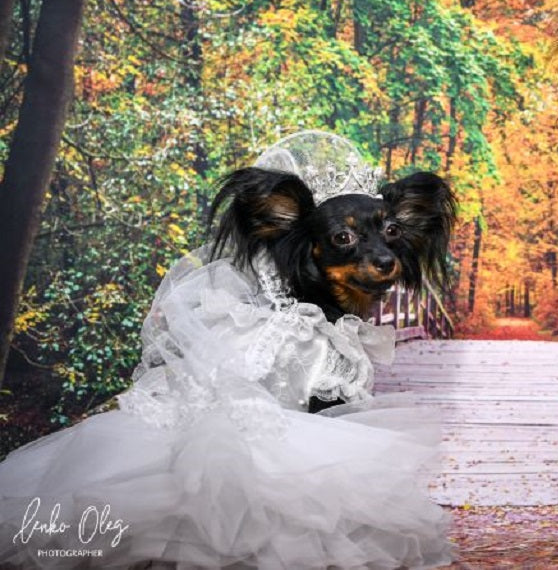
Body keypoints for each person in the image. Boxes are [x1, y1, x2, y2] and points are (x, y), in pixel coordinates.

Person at [0, 133, 453, 569]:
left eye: (391, 233)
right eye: (344, 239)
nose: (382, 254)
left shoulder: (329, 330)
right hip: (241, 468)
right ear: (301, 244)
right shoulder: (296, 337)